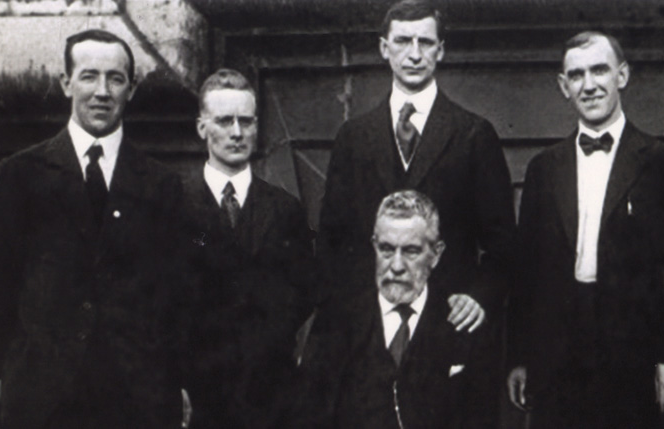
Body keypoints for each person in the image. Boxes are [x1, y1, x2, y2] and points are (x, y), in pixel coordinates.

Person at [0, 29, 189, 429]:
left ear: (132, 88)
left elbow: (176, 293)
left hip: (136, 396)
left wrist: (177, 381)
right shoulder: (21, 174)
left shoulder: (161, 184)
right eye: (89, 76)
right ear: (66, 83)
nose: (102, 91)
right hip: (40, 395)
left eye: (116, 78)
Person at [507, 31, 664, 428]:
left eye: (600, 70)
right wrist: (519, 358)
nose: (590, 84)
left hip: (632, 349)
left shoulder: (661, 162)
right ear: (564, 87)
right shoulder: (544, 168)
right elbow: (526, 272)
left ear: (623, 75)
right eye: (577, 75)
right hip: (557, 350)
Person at [317, 0, 516, 335]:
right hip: (367, 327)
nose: (413, 54)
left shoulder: (474, 134)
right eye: (402, 41)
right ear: (384, 48)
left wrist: (479, 297)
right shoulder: (353, 137)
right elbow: (332, 242)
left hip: (447, 325)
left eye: (425, 43)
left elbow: (503, 245)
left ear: (440, 50)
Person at [180, 68, 316, 428]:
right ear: (202, 128)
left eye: (247, 121)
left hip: (270, 399)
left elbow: (303, 293)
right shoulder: (171, 206)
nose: (237, 133)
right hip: (196, 398)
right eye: (225, 121)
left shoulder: (285, 210)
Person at [295, 190, 494, 428]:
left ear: (436, 254)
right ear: (374, 246)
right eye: (387, 250)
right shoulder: (335, 320)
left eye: (411, 251)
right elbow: (308, 418)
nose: (396, 266)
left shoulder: (462, 324)